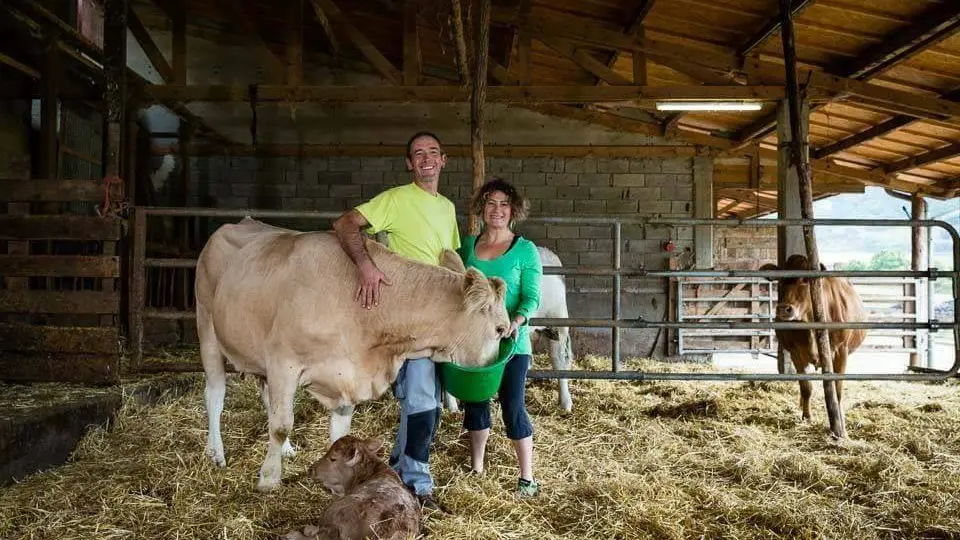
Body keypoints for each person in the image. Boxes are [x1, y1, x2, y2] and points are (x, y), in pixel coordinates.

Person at [332, 131, 459, 513]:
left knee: (429, 403)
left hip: (437, 321)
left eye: (432, 152)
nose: (426, 159)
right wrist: (366, 265)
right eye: (418, 154)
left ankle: (396, 473)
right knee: (421, 398)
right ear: (409, 163)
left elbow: (449, 260)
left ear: (443, 160)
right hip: (406, 323)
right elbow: (345, 224)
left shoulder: (448, 208)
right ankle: (418, 487)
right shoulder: (396, 199)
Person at [457, 177, 542, 498]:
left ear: (514, 210)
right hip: (476, 343)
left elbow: (531, 297)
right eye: (491, 203)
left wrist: (518, 320)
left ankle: (527, 478)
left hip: (511, 344)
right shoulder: (468, 247)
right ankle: (477, 467)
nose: (497, 210)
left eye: (504, 204)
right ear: (482, 208)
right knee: (476, 403)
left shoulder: (525, 250)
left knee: (513, 406)